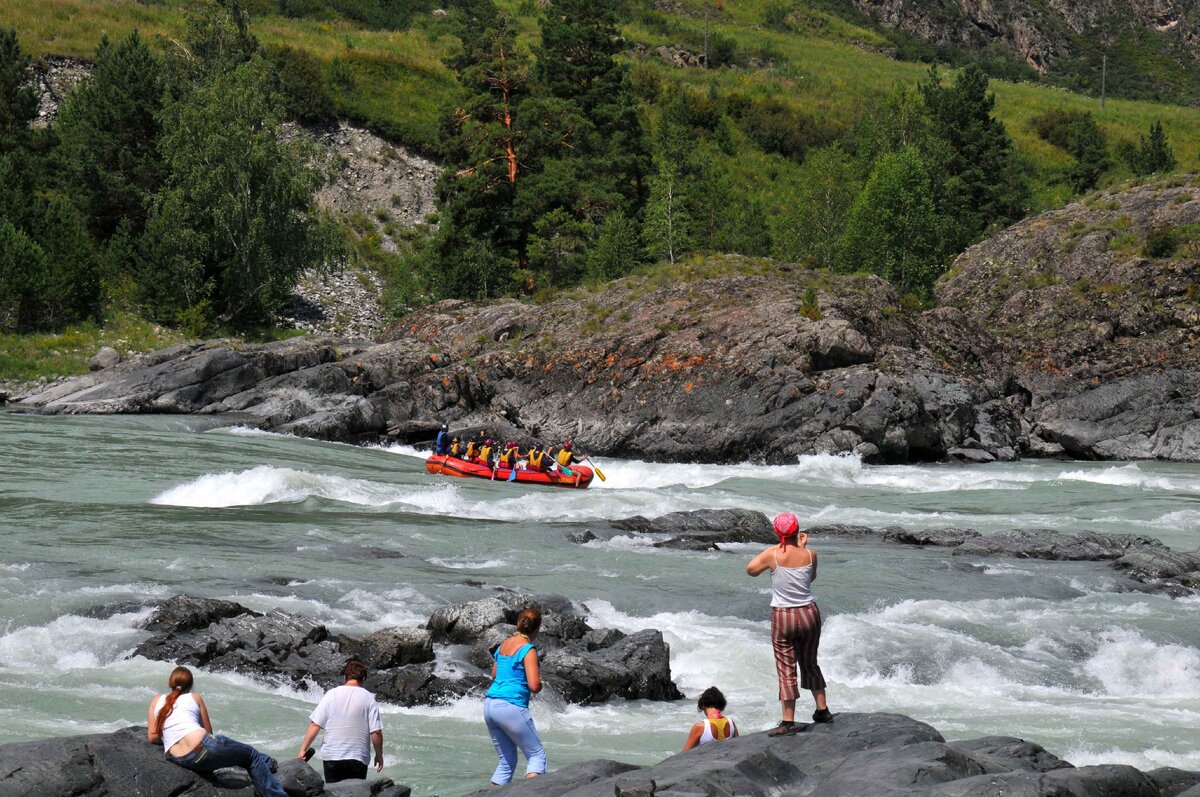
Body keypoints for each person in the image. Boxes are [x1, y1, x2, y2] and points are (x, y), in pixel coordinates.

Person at [746, 512, 832, 736]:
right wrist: (801, 547)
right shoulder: (810, 554)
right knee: (810, 662)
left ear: (778, 532)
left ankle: (788, 721)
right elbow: (810, 578)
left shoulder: (772, 555)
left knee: (786, 667)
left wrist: (775, 547)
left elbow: (751, 569)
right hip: (809, 613)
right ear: (798, 531)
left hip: (783, 615)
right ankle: (822, 710)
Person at [147, 666, 288, 797]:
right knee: (251, 755)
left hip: (179, 758)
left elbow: (152, 737)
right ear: (190, 685)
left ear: (169, 682)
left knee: (232, 753)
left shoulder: (156, 700)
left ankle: (268, 762)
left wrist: (171, 736)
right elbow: (208, 732)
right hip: (203, 748)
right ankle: (269, 767)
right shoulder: (195, 697)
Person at [483, 608, 546, 785]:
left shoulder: (504, 645)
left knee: (506, 762)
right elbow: (534, 686)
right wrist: (540, 684)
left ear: (519, 623)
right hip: (510, 706)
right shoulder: (528, 649)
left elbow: (494, 673)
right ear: (537, 628)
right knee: (536, 756)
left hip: (490, 705)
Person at [297, 659, 384, 783]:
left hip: (332, 756)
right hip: (357, 758)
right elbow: (376, 732)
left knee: (334, 792)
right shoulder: (368, 698)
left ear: (345, 677)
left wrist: (303, 749)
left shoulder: (331, 694)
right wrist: (379, 755)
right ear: (364, 678)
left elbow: (315, 724)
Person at [682, 686, 739, 751]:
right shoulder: (731, 724)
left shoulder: (700, 727)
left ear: (703, 705)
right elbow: (737, 748)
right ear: (721, 705)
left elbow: (684, 754)